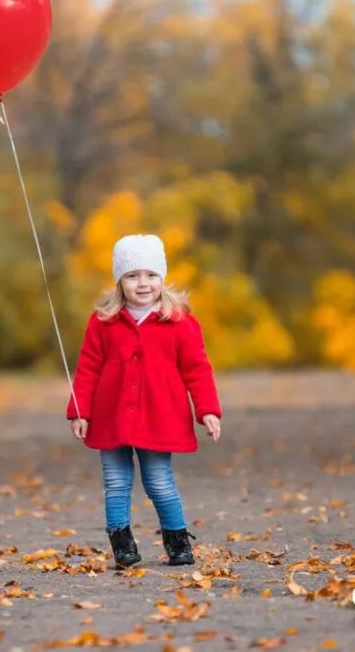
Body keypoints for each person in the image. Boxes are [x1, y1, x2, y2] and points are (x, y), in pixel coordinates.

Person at [66, 233, 222, 568]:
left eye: (151, 275)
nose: (143, 283)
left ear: (161, 278)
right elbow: (88, 368)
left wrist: (207, 410)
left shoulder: (179, 321)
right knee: (116, 481)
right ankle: (122, 544)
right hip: (111, 415)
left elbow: (198, 369)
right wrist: (80, 411)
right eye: (132, 275)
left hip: (158, 415)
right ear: (119, 280)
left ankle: (177, 541)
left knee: (159, 481)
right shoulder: (103, 321)